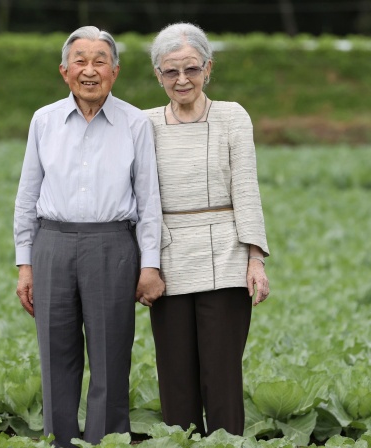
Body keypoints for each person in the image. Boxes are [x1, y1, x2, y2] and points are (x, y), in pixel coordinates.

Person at [14, 26, 165, 448]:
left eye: (100, 61)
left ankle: (106, 441)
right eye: (80, 60)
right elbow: (27, 196)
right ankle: (59, 441)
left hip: (113, 246)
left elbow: (148, 198)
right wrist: (25, 263)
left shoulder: (135, 123)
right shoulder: (44, 121)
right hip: (52, 244)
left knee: (110, 357)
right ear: (64, 71)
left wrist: (149, 263)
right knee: (55, 356)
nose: (90, 70)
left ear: (114, 72)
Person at [142, 23, 270, 437]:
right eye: (171, 72)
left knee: (222, 374)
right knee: (175, 377)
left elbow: (246, 190)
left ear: (208, 68)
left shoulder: (232, 116)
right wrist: (145, 264)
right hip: (168, 258)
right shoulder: (143, 125)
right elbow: (139, 201)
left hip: (226, 256)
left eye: (192, 69)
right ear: (158, 75)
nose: (182, 80)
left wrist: (255, 259)